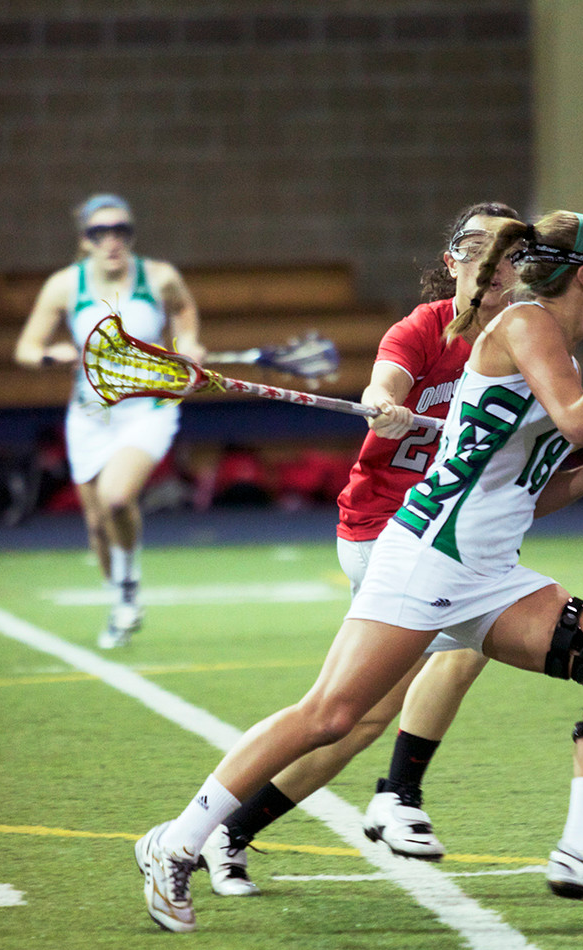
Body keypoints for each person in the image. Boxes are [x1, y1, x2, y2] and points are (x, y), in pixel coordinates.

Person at [136, 209, 583, 932]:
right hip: (428, 555)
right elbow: (576, 422)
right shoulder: (527, 325)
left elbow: (527, 496)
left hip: (488, 571)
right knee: (329, 715)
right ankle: (177, 842)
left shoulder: (553, 349)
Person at [197, 202, 521, 895]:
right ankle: (395, 799)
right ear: (451, 263)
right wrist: (386, 401)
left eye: (510, 251)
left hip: (445, 531)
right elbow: (386, 377)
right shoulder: (423, 329)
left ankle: (230, 830)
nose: (494, 264)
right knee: (440, 661)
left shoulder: (528, 342)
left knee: (355, 717)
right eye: (477, 248)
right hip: (383, 526)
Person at [15, 194, 204, 649]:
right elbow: (25, 348)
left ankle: (129, 586)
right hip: (90, 416)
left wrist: (189, 343)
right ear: (84, 240)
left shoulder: (159, 277)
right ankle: (121, 596)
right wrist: (48, 355)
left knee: (117, 497)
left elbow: (183, 312)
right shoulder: (65, 285)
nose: (112, 241)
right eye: (100, 233)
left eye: (121, 230)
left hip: (148, 409)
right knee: (97, 524)